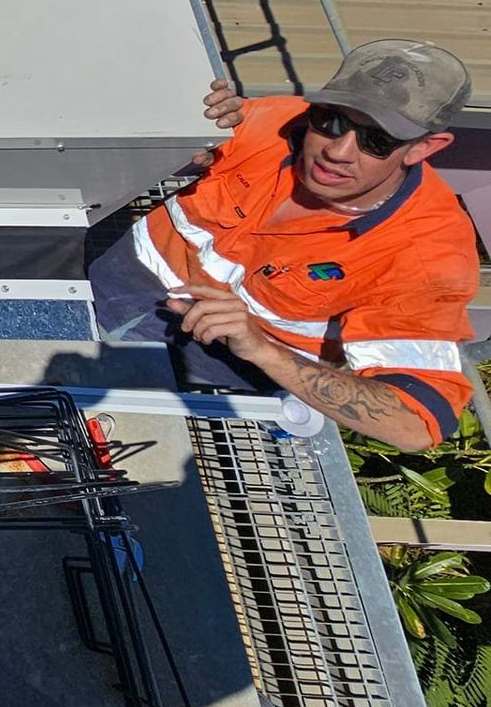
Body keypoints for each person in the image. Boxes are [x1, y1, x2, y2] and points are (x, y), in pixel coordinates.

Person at [90, 39, 479, 452]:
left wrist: (260, 347)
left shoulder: (425, 256)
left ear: (423, 148)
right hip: (108, 282)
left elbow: (416, 423)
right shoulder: (276, 122)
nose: (338, 151)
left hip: (211, 376)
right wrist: (179, 131)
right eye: (330, 120)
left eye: (376, 141)